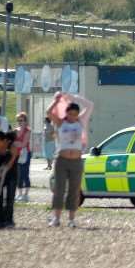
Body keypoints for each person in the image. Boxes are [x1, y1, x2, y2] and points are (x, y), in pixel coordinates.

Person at [46, 92, 94, 228]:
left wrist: (75, 98)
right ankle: (56, 218)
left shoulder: (80, 121)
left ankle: (72, 219)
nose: (72, 116)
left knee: (74, 189)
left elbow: (90, 105)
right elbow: (48, 112)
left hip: (76, 160)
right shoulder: (61, 123)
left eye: (75, 114)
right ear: (66, 113)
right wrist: (56, 101)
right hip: (62, 159)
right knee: (59, 189)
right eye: (70, 113)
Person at [15, 112, 31, 203]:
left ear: (25, 121)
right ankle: (19, 194)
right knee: (18, 175)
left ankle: (26, 194)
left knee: (25, 174)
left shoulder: (28, 131)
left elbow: (24, 144)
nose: (19, 122)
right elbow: (13, 142)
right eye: (18, 120)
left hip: (25, 154)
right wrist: (17, 144)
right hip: (17, 154)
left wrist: (16, 144)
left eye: (21, 120)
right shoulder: (15, 130)